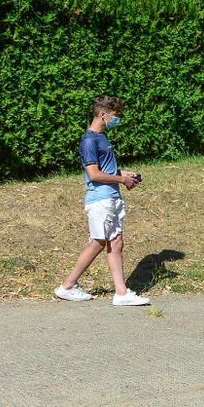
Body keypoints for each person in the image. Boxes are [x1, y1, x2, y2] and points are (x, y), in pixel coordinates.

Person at [54, 95, 149, 306]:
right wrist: (122, 179)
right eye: (114, 116)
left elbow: (105, 169)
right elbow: (94, 174)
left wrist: (123, 173)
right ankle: (67, 287)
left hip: (111, 197)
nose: (117, 119)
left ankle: (122, 293)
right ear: (103, 114)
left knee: (116, 243)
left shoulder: (102, 138)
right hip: (100, 200)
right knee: (98, 242)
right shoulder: (89, 140)